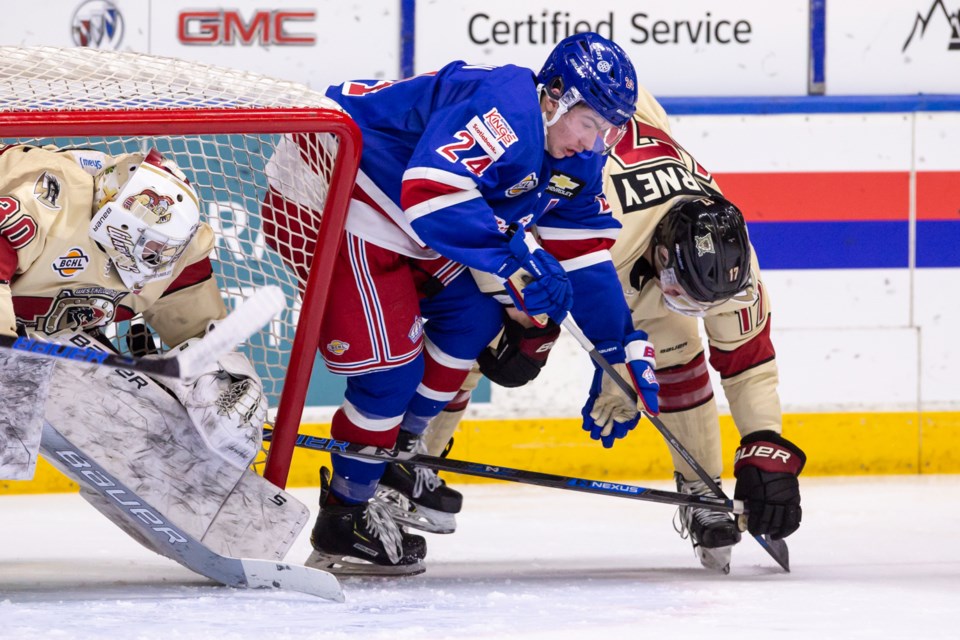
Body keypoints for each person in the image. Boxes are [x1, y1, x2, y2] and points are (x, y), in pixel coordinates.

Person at [264, 32, 661, 576]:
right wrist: (518, 266)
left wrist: (619, 342)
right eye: (590, 123)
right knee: (389, 372)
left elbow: (582, 254)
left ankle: (395, 453)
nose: (596, 143)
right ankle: (344, 515)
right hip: (330, 191)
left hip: (401, 212)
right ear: (555, 97)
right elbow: (432, 192)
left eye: (610, 130)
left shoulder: (575, 156)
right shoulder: (506, 108)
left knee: (472, 318)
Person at [398, 84, 806, 575]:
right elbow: (504, 245)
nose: (689, 304)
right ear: (662, 255)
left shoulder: (733, 263)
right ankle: (411, 462)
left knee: (674, 343)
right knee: (483, 336)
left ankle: (701, 491)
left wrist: (766, 445)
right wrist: (563, 340)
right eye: (681, 289)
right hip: (568, 223)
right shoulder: (601, 217)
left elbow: (749, 361)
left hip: (643, 199)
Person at [0, 144, 291, 561]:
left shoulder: (168, 247)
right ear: (119, 223)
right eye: (154, 250)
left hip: (46, 336)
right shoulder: (44, 197)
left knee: (134, 413)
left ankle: (232, 535)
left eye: (168, 251)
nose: (162, 262)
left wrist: (223, 381)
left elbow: (195, 326)